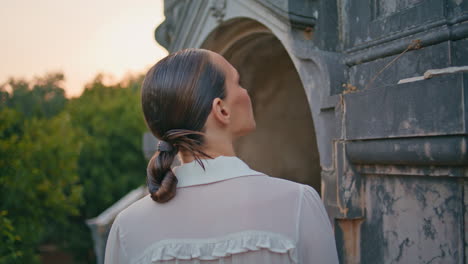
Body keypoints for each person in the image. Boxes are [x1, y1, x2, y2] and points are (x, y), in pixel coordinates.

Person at [104, 48, 339, 264]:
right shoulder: (298, 204)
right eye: (238, 82)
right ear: (221, 110)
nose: (245, 92)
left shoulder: (127, 228)